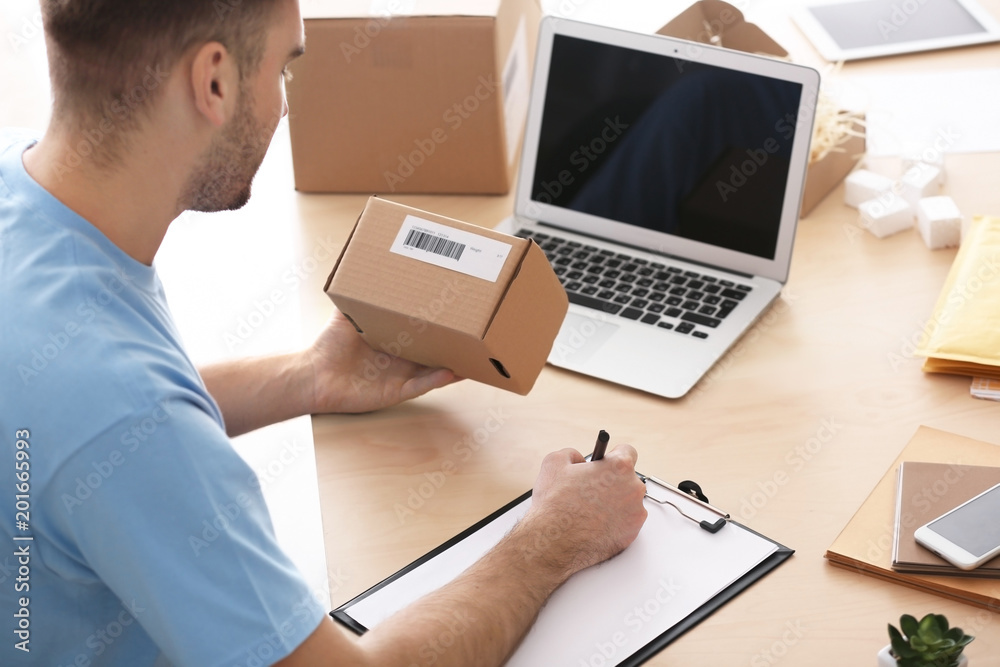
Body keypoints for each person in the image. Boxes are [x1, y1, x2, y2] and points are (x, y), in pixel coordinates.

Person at [0, 1, 648, 665]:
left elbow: (68, 426)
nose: (284, 106)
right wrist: (553, 536)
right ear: (214, 82)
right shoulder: (120, 407)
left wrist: (306, 376)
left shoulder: (26, 194)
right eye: (285, 69)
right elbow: (117, 424)